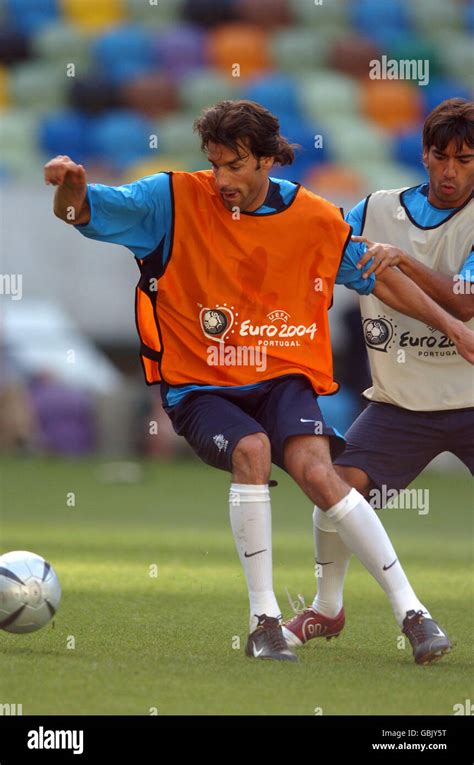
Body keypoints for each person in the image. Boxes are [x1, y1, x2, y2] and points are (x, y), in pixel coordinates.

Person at [45, 99, 474, 663]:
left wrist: (453, 328)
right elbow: (81, 214)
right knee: (251, 449)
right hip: (200, 385)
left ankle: (413, 615)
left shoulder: (315, 217)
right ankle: (263, 622)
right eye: (215, 165)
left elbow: (378, 278)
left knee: (322, 476)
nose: (222, 180)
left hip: (281, 377)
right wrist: (70, 190)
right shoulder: (167, 199)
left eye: (236, 167)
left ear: (268, 161)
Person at [283, 98, 473, 665]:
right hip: (400, 404)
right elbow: (318, 250)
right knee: (334, 489)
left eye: (465, 159)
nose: (450, 171)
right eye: (440, 157)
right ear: (423, 155)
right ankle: (326, 608)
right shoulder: (373, 210)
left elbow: (466, 303)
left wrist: (401, 263)